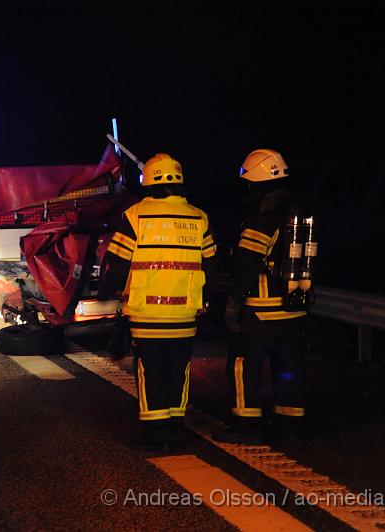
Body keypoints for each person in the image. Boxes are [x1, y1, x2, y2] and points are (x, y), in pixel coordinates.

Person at [98, 153, 217, 453]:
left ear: (148, 181)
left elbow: (119, 262)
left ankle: (155, 434)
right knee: (179, 370)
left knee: (151, 371)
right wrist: (209, 301)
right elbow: (212, 266)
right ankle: (176, 430)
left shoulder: (136, 215)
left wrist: (106, 292)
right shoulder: (199, 217)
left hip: (147, 312)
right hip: (186, 311)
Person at [213, 149, 309, 444]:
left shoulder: (262, 218)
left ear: (254, 180)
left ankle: (246, 425)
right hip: (295, 309)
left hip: (262, 310)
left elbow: (246, 265)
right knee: (288, 366)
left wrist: (233, 306)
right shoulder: (299, 212)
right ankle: (289, 425)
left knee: (243, 363)